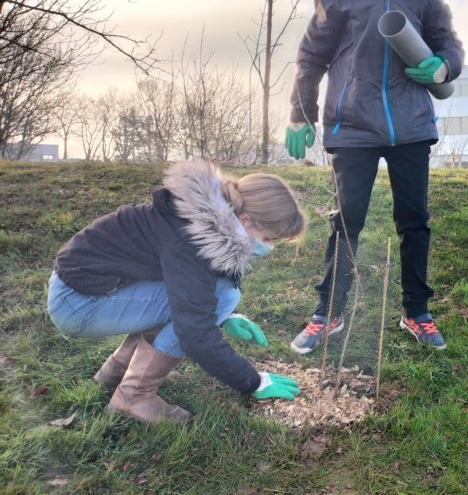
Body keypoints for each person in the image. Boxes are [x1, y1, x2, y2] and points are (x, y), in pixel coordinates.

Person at [284, 0, 463, 354]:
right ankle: (329, 313)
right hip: (353, 126)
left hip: (411, 125)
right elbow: (310, 59)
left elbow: (448, 43)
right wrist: (299, 113)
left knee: (415, 222)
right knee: (346, 222)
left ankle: (417, 312)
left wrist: (443, 66)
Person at [47, 158, 305, 423]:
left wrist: (227, 317)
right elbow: (195, 333)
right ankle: (134, 397)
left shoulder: (199, 220)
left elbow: (184, 284)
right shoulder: (189, 241)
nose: (269, 248)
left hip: (85, 289)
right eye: (269, 239)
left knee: (221, 298)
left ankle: (119, 368)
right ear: (246, 221)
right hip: (77, 305)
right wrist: (253, 381)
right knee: (223, 296)